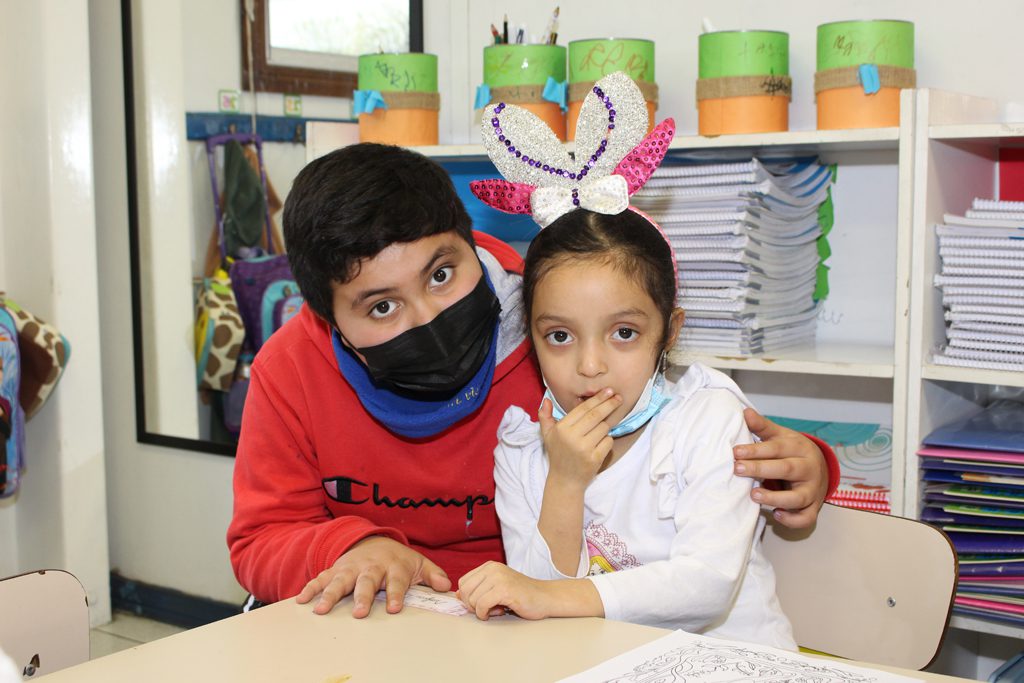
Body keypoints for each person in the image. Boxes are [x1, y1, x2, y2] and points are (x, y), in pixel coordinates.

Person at [227, 139, 838, 617]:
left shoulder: (558, 327)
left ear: (470, 241)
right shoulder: (291, 369)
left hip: (532, 625)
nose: (428, 317)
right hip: (382, 626)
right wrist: (350, 548)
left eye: (441, 274)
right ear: (328, 318)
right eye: (381, 306)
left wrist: (809, 466)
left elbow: (690, 422)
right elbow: (260, 541)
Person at [456, 208, 795, 649]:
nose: (590, 365)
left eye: (624, 333)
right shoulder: (521, 450)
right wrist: (565, 481)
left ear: (669, 331)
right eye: (559, 336)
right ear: (531, 341)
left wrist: (544, 595)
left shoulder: (708, 420)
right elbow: (535, 605)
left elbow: (708, 584)